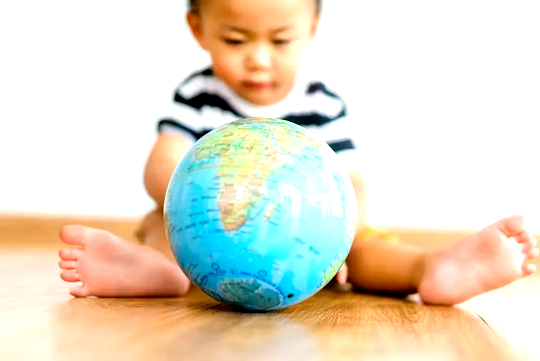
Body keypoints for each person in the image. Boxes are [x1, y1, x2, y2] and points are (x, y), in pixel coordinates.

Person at [58, 0, 538, 305]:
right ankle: (158, 272)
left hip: (313, 234)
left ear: (311, 27)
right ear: (198, 29)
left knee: (367, 244)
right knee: (156, 222)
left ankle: (427, 269)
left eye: (280, 39)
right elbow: (162, 161)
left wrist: (342, 238)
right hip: (205, 237)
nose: (259, 57)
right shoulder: (197, 95)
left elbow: (353, 182)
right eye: (234, 39)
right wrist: (198, 197)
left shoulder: (322, 102)